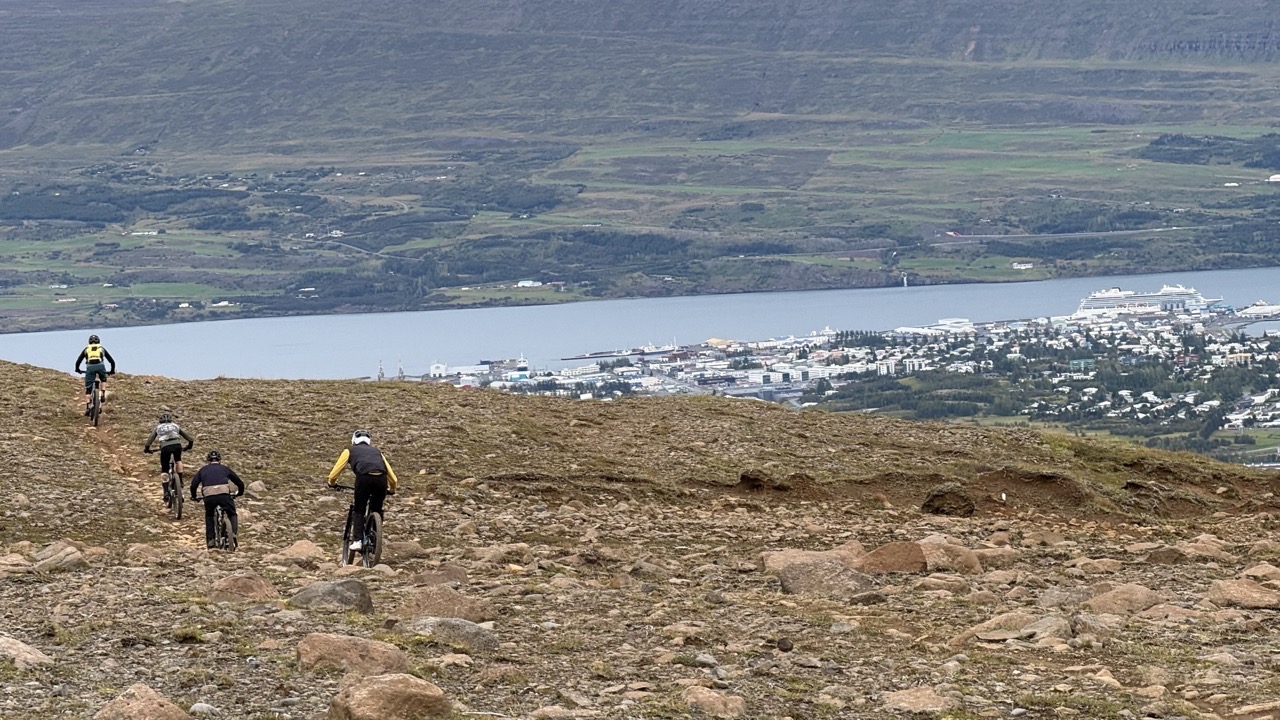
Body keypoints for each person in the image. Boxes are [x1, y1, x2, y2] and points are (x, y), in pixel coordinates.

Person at [327, 429, 398, 552]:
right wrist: (391, 489)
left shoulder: (349, 450)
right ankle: (375, 540)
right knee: (377, 509)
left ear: (354, 440)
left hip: (364, 478)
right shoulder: (377, 452)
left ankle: (357, 541)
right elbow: (392, 477)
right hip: (381, 479)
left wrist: (332, 483)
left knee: (359, 509)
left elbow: (335, 472)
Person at [189, 450, 245, 550]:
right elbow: (239, 483)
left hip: (209, 495)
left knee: (209, 515)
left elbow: (194, 484)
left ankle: (211, 540)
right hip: (224, 494)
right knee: (232, 514)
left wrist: (194, 496)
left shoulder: (203, 470)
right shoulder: (224, 468)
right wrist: (239, 493)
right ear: (219, 460)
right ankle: (232, 535)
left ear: (208, 460)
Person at [143, 412, 195, 504]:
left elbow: (149, 441)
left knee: (164, 469)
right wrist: (189, 446)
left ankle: (166, 491)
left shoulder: (158, 428)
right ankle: (180, 480)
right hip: (177, 445)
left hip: (165, 447)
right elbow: (190, 439)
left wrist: (147, 449)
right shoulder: (175, 426)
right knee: (178, 460)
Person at [74, 334, 116, 415]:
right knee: (103, 379)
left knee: (88, 388)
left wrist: (77, 369)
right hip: (100, 366)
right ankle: (103, 393)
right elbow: (112, 361)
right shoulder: (101, 349)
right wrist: (112, 370)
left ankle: (88, 406)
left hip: (90, 368)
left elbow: (78, 361)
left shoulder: (86, 349)